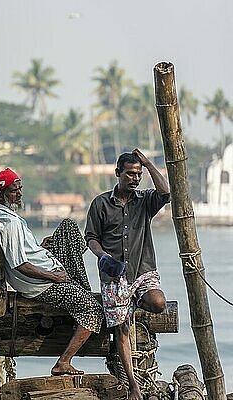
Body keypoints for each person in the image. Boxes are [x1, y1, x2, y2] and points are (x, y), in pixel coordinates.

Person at [0, 167, 104, 376]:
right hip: (42, 285)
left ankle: (76, 286)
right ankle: (63, 362)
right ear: (1, 193)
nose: (19, 193)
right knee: (93, 309)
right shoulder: (8, 223)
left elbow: (23, 252)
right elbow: (20, 265)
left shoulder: (11, 217)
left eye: (20, 189)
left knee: (68, 227)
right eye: (14, 190)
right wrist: (55, 277)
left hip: (47, 268)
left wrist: (40, 248)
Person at [85, 148, 170, 400]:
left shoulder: (144, 201)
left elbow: (166, 193)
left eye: (138, 174)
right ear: (117, 173)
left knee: (159, 302)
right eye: (130, 174)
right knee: (121, 329)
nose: (135, 178)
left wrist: (148, 163)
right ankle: (133, 385)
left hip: (142, 270)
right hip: (114, 275)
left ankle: (133, 302)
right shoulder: (100, 203)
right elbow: (91, 238)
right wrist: (103, 256)